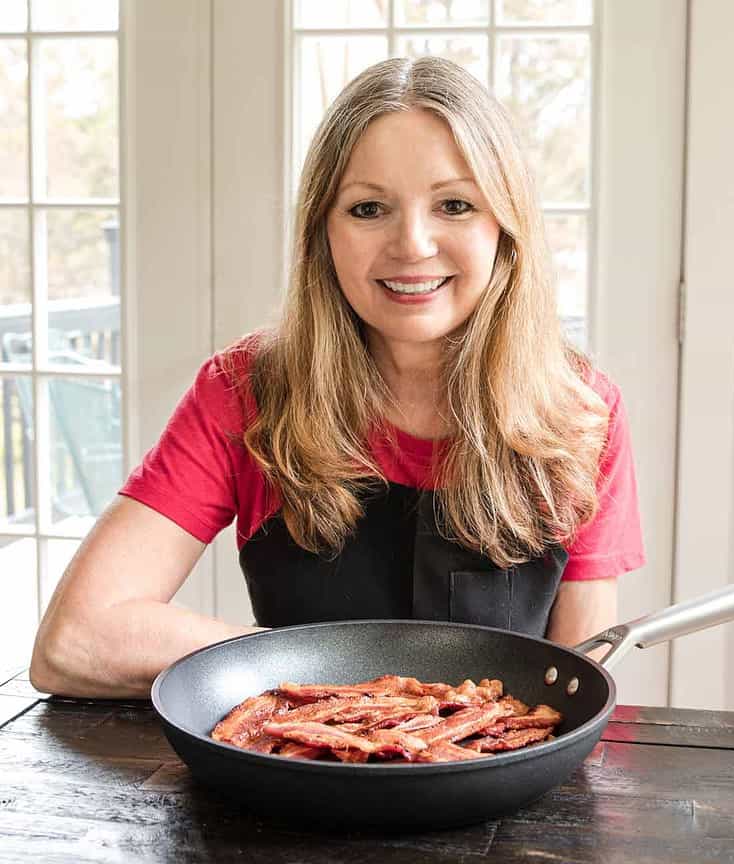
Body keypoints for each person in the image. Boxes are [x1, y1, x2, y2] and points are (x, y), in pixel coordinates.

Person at [30, 56, 645, 699]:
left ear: (505, 228)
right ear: (323, 231)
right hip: (295, 777)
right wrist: (308, 674)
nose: (412, 243)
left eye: (455, 204)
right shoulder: (245, 391)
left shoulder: (581, 413)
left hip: (496, 789)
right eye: (368, 207)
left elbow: (575, 697)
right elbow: (72, 642)